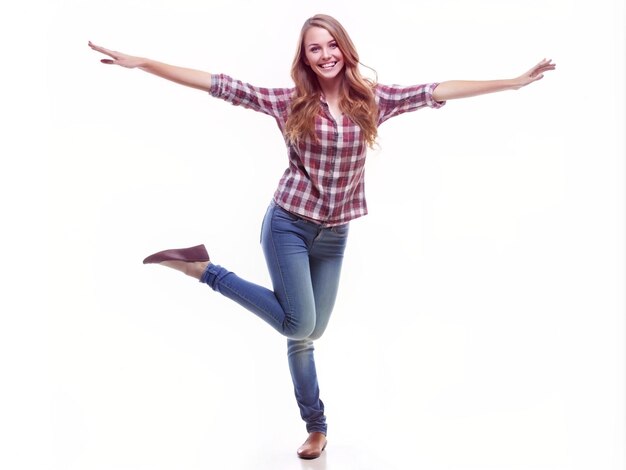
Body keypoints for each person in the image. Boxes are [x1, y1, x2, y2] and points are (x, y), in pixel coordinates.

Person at [89, 13, 555, 460]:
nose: (326, 54)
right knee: (297, 325)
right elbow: (219, 84)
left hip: (335, 236)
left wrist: (512, 82)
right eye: (315, 49)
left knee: (310, 332)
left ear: (344, 49)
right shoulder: (288, 101)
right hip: (288, 224)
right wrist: (145, 63)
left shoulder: (373, 99)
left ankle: (314, 430)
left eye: (332, 45)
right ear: (305, 58)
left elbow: (436, 89)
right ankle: (204, 270)